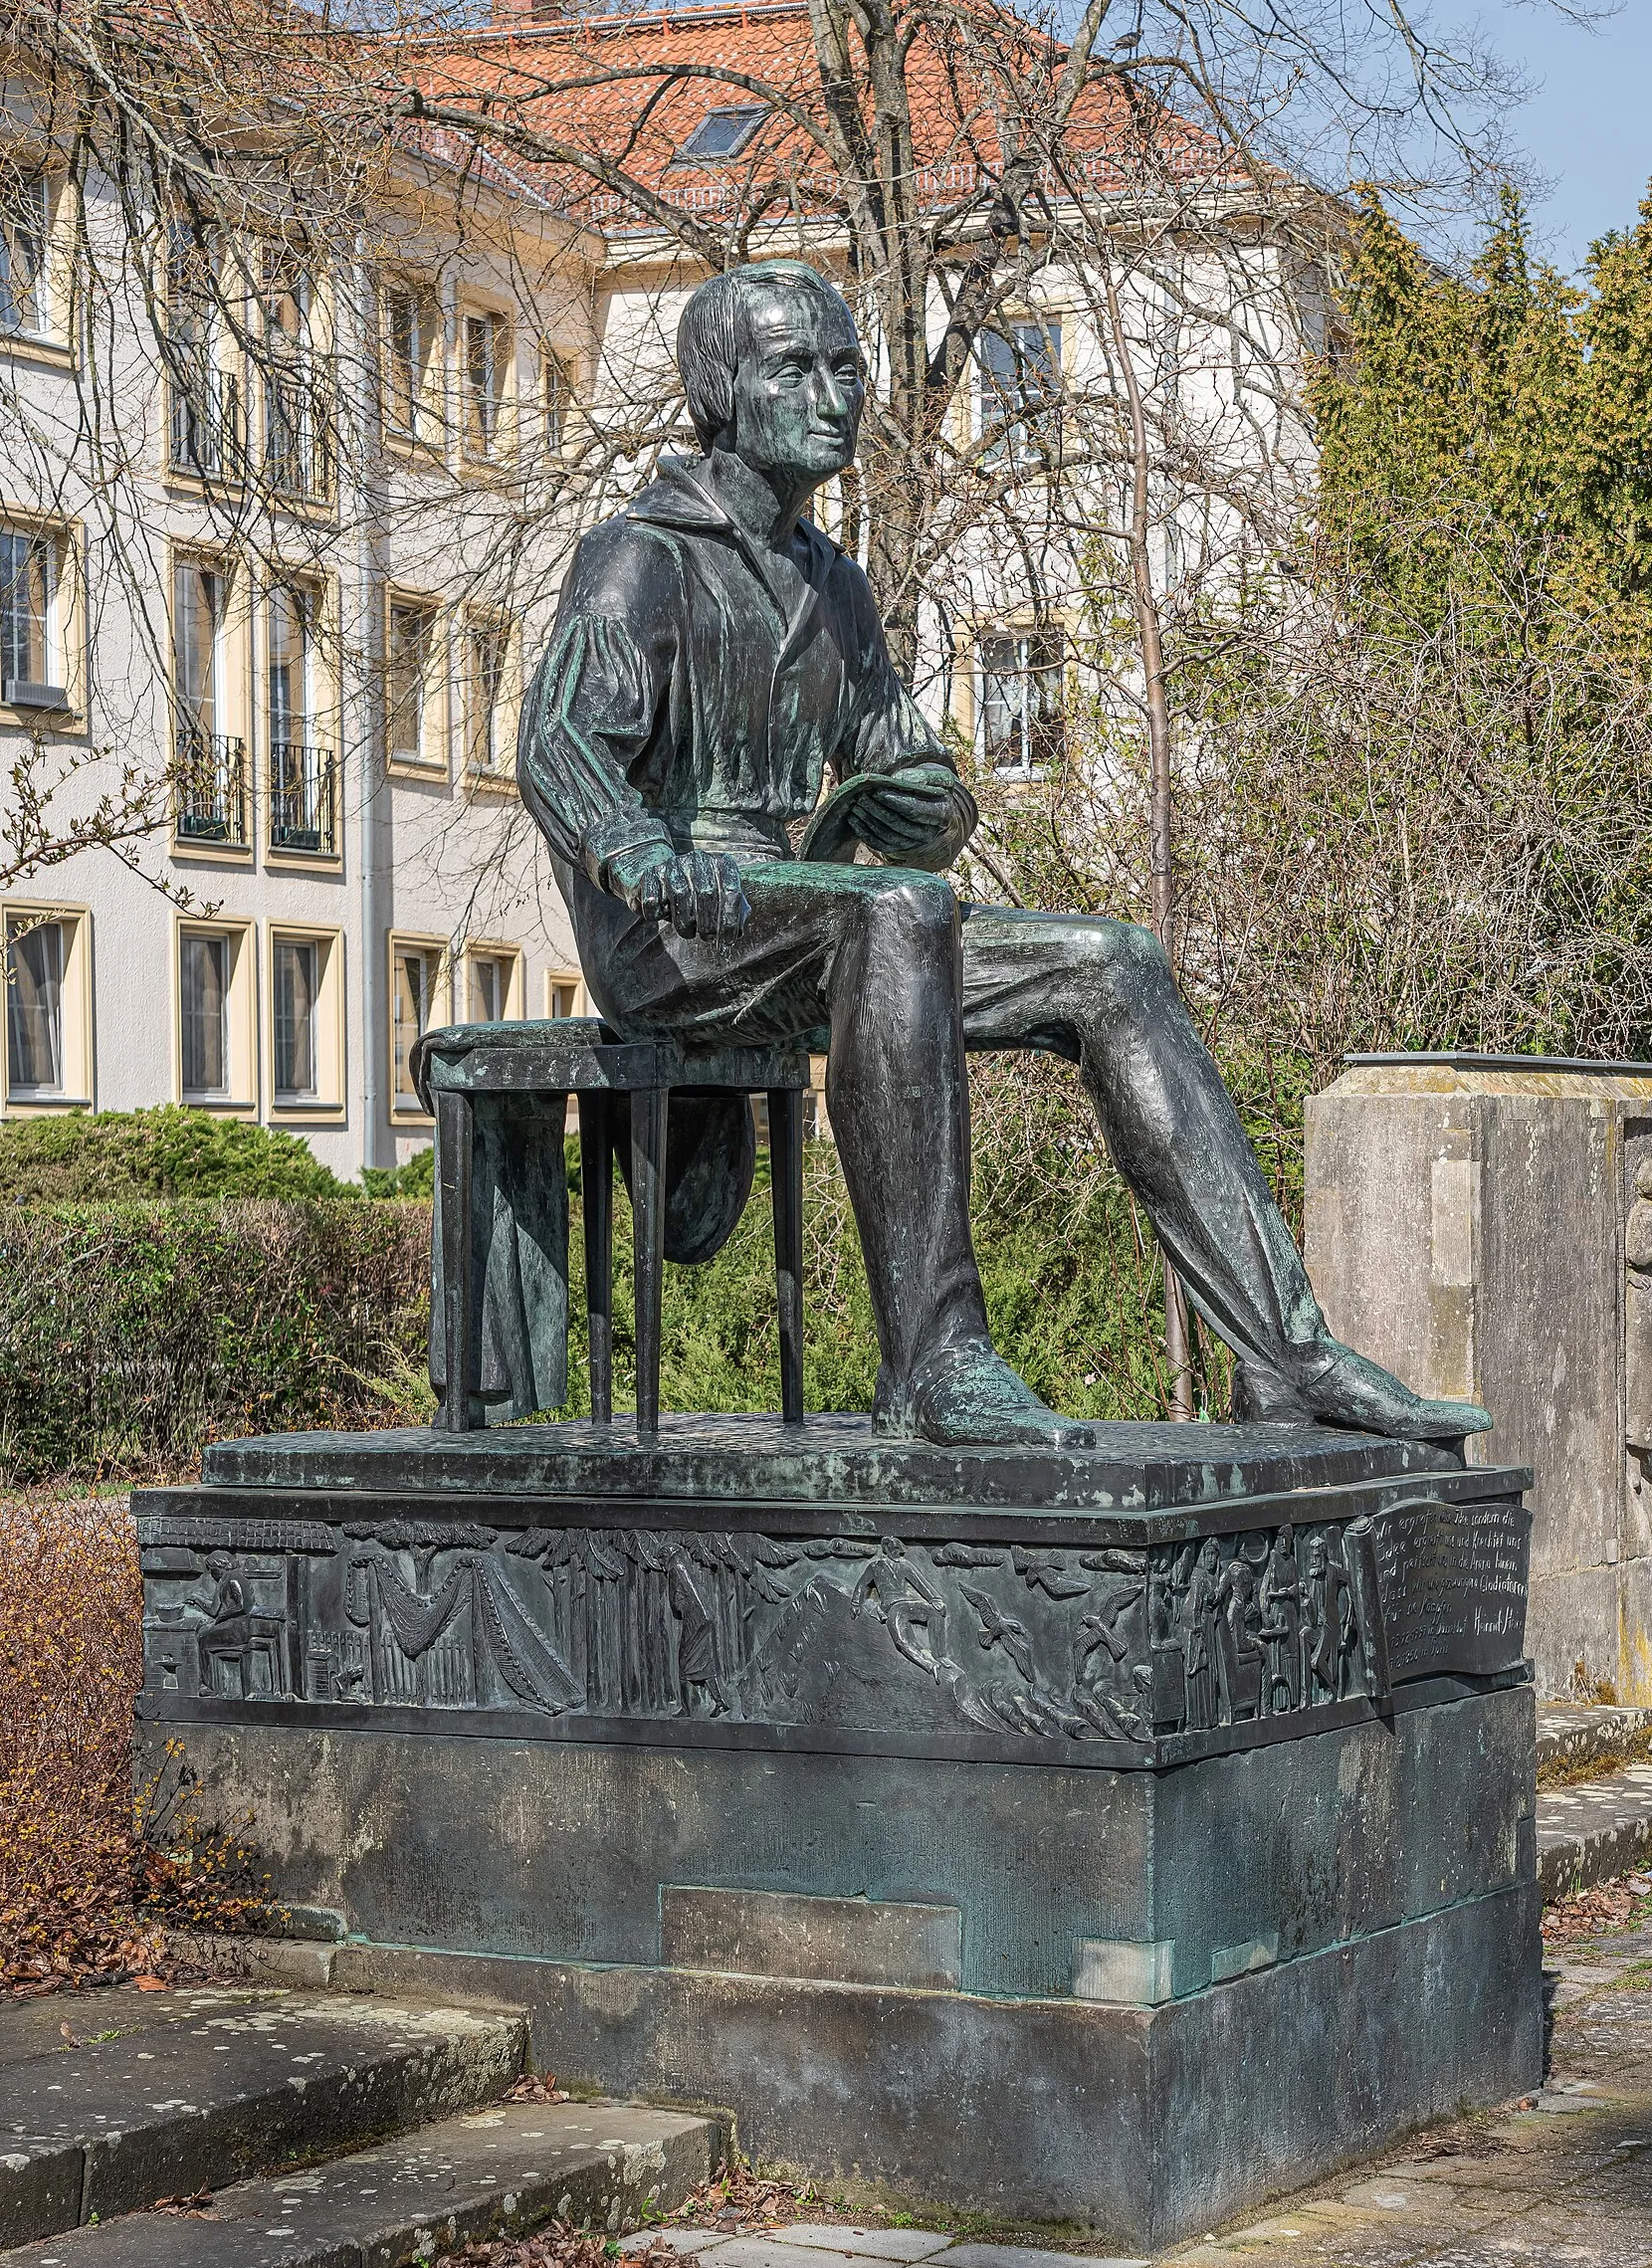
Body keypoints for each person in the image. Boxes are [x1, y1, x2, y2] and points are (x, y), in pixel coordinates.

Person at [518, 258, 1488, 1453]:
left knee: (1109, 960)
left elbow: (902, 764)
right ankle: (935, 1359)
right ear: (721, 394)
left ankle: (1281, 1355)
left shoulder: (837, 588)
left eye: (845, 368)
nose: (834, 396)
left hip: (809, 921)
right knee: (893, 913)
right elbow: (557, 743)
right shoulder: (639, 557)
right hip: (667, 927)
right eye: (794, 370)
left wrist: (927, 805)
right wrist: (633, 849)